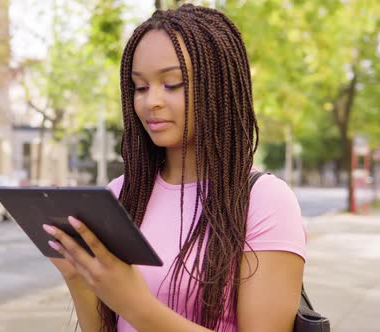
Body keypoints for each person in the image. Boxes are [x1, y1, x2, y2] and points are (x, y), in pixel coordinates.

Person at [42, 4, 306, 332]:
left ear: (219, 86)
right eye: (140, 87)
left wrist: (136, 306)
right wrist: (77, 277)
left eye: (172, 83)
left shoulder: (265, 201)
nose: (150, 100)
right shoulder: (120, 195)